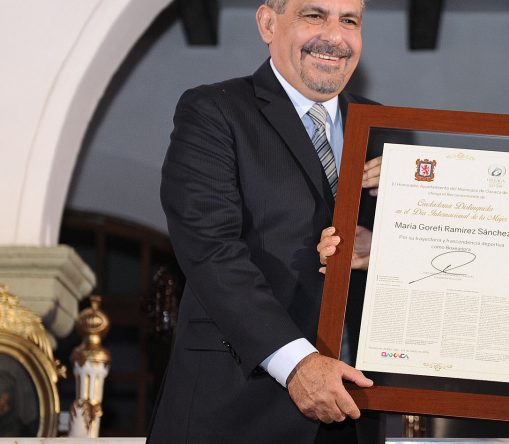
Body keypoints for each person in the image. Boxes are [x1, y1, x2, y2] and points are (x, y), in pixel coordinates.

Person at [148, 0, 384, 442]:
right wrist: (296, 363)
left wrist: (388, 246)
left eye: (349, 21)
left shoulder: (385, 130)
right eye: (314, 15)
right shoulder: (213, 112)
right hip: (235, 412)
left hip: (355, 414)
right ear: (268, 22)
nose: (334, 36)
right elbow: (212, 251)